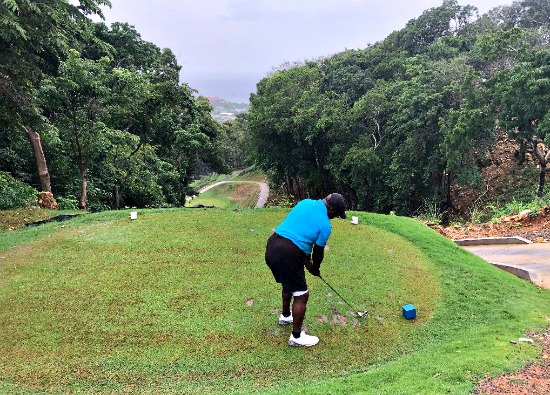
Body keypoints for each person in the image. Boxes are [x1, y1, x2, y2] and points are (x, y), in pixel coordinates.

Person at [265, 193, 347, 347]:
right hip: (288, 252)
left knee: (288, 282)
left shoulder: (305, 203)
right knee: (302, 295)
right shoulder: (325, 225)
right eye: (335, 214)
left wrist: (306, 260)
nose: (334, 218)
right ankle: (296, 337)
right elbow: (318, 252)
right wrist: (315, 268)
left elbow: (301, 233)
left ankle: (285, 316)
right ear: (331, 208)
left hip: (273, 245)